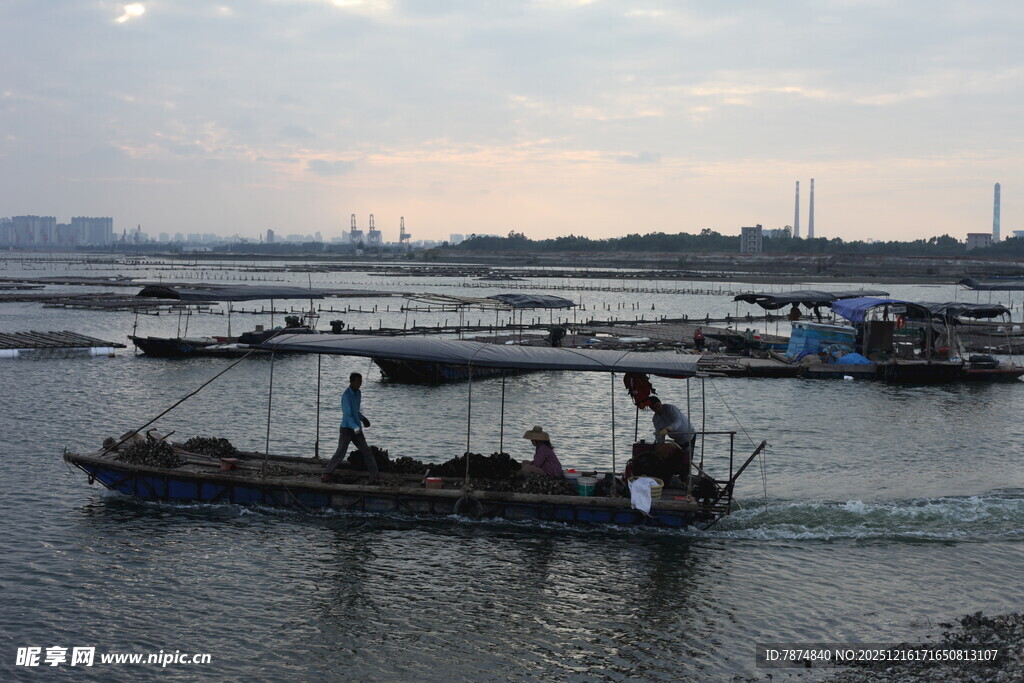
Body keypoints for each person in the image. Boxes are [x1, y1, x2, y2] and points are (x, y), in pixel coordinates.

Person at [323, 372, 378, 481]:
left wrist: (363, 419)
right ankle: (327, 472)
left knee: (367, 451)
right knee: (341, 452)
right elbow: (347, 416)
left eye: (361, 382)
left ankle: (375, 476)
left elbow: (355, 412)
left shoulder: (358, 393)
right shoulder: (346, 396)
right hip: (347, 429)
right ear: (351, 382)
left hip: (356, 428)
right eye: (358, 382)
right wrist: (356, 428)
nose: (360, 384)